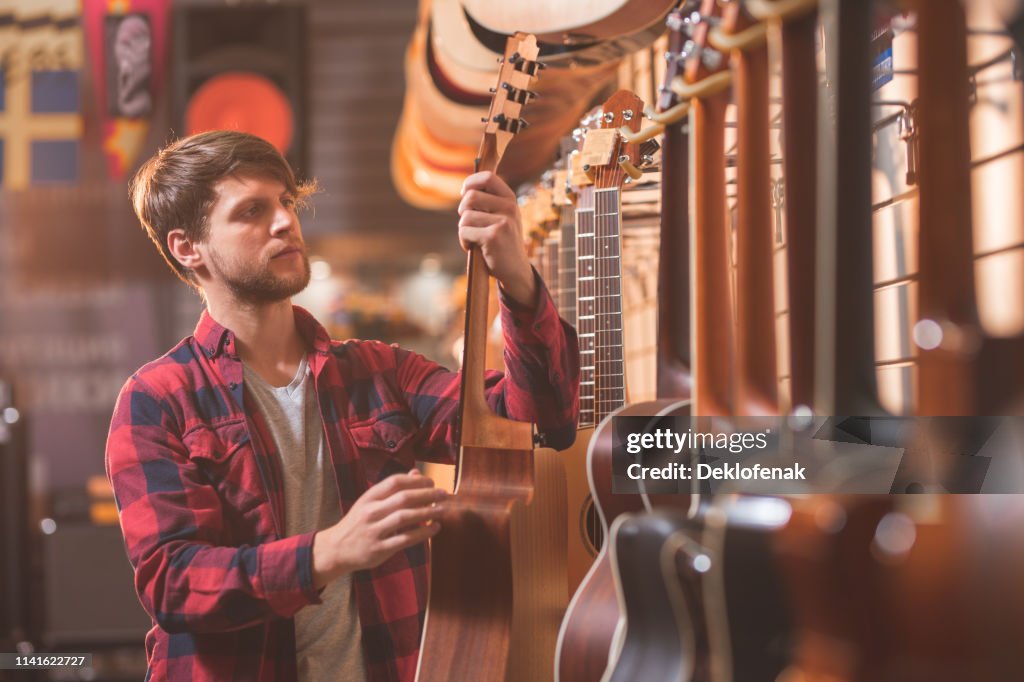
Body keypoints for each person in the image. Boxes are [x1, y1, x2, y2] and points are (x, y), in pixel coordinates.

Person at [105, 130, 579, 681]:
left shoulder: (378, 371)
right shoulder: (158, 399)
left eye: (286, 201)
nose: (285, 222)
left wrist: (515, 277)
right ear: (188, 248)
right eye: (252, 211)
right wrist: (329, 552)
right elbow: (176, 585)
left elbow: (535, 423)